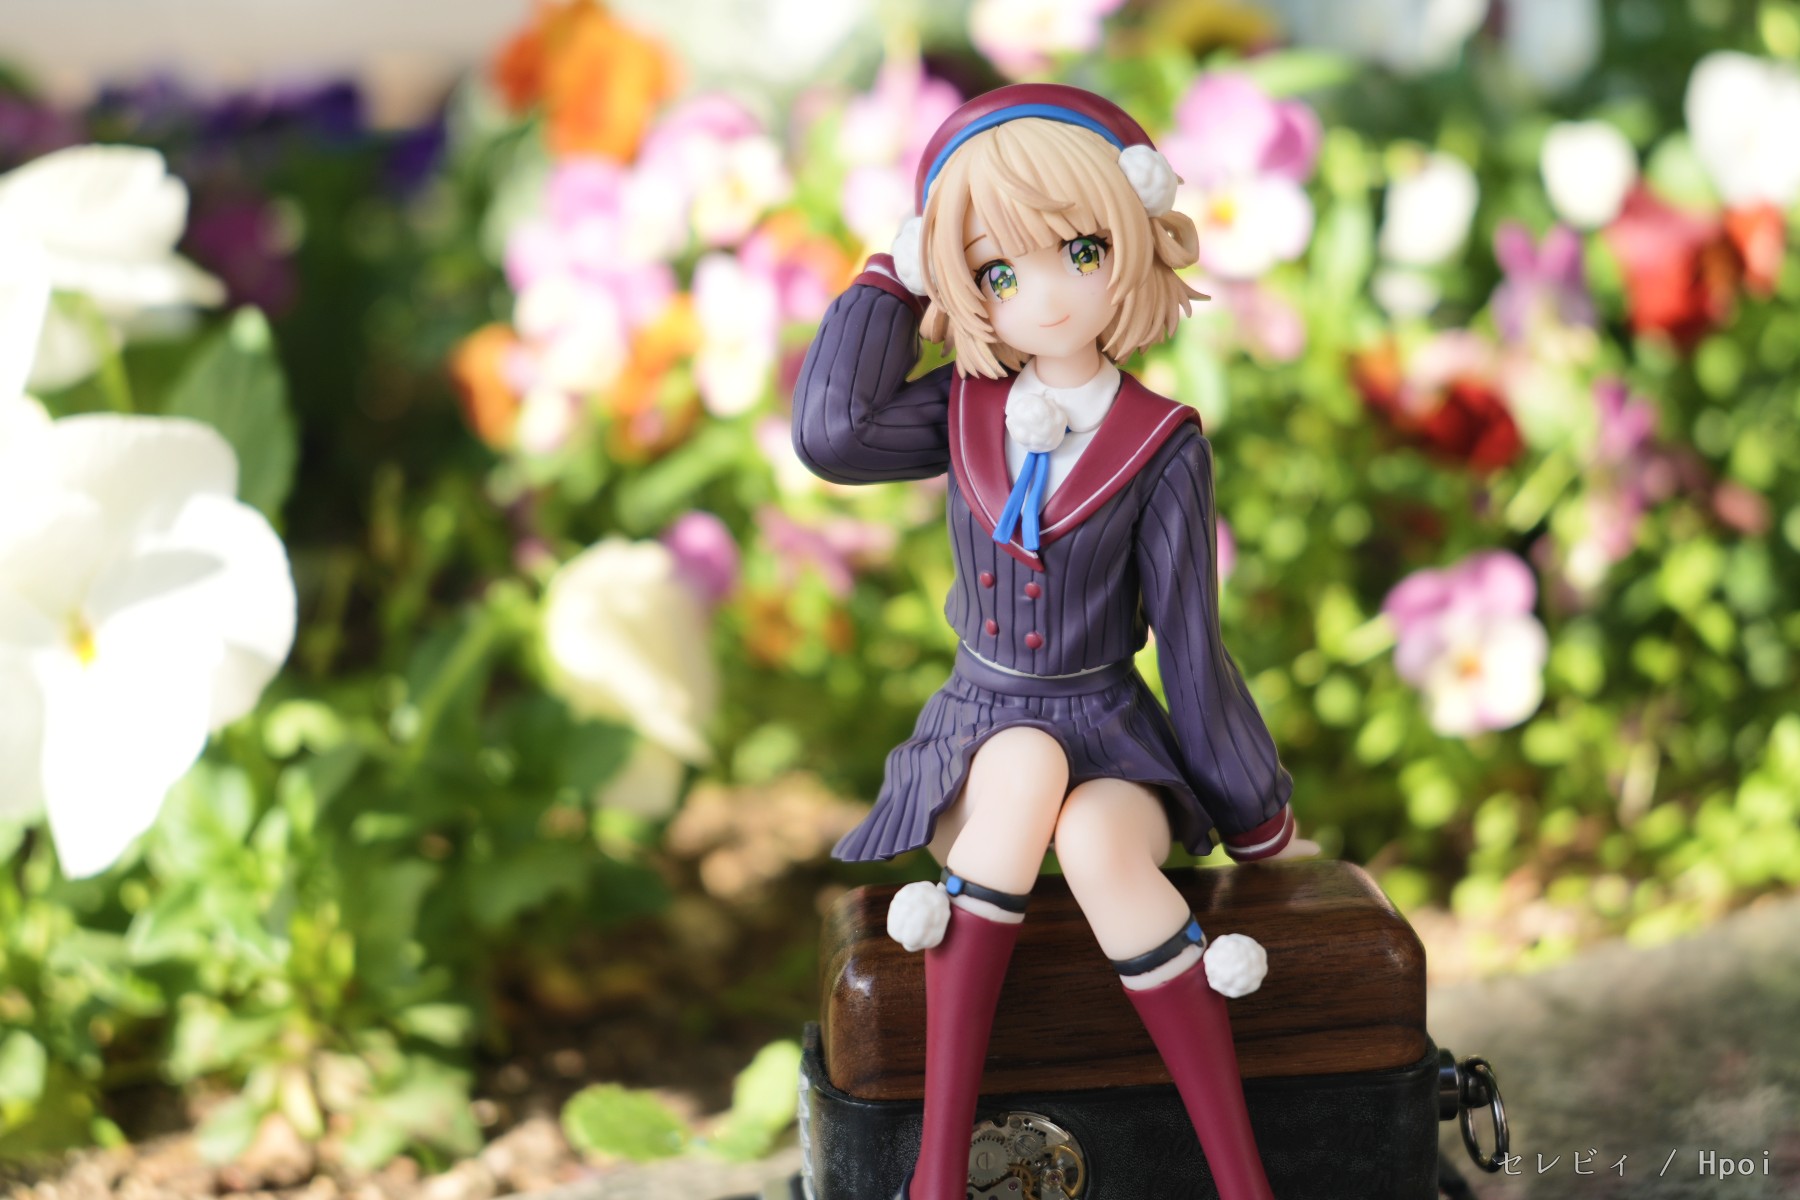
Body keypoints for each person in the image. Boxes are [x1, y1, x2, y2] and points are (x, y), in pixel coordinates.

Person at [791, 83, 1317, 1200]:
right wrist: (897, 271)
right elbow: (833, 432)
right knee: (1025, 766)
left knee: (1099, 844)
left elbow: (1191, 647)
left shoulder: (1163, 444)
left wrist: (1256, 813)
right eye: (997, 271)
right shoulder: (964, 406)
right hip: (981, 735)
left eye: (1082, 250)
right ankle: (937, 1170)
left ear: (1133, 235)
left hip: (1113, 735)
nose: (1043, 294)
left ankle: (1243, 1179)